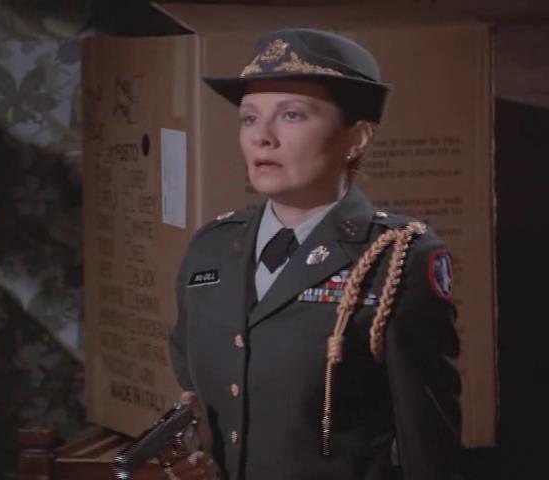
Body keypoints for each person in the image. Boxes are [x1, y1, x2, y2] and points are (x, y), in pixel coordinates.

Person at [167, 28, 462, 480]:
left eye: (292, 115)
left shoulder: (397, 259)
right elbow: (197, 390)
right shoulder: (210, 249)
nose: (262, 137)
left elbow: (429, 447)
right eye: (249, 118)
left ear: (357, 138)